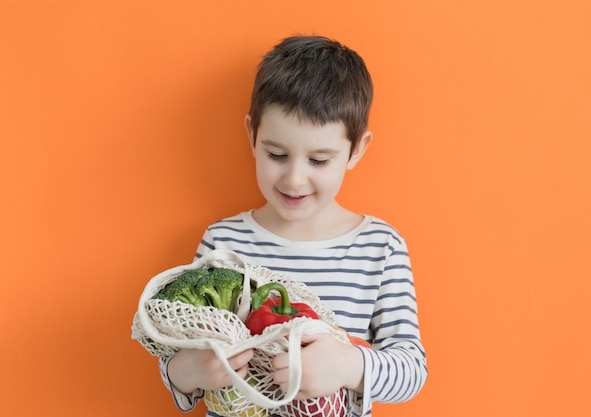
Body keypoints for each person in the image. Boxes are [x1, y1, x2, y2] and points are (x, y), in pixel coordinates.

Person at [159, 35, 427, 417]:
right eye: (277, 154)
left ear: (356, 151)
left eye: (319, 160)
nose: (294, 179)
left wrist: (348, 366)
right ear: (252, 135)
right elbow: (176, 352)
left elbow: (412, 370)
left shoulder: (379, 247)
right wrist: (185, 372)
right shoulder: (223, 242)